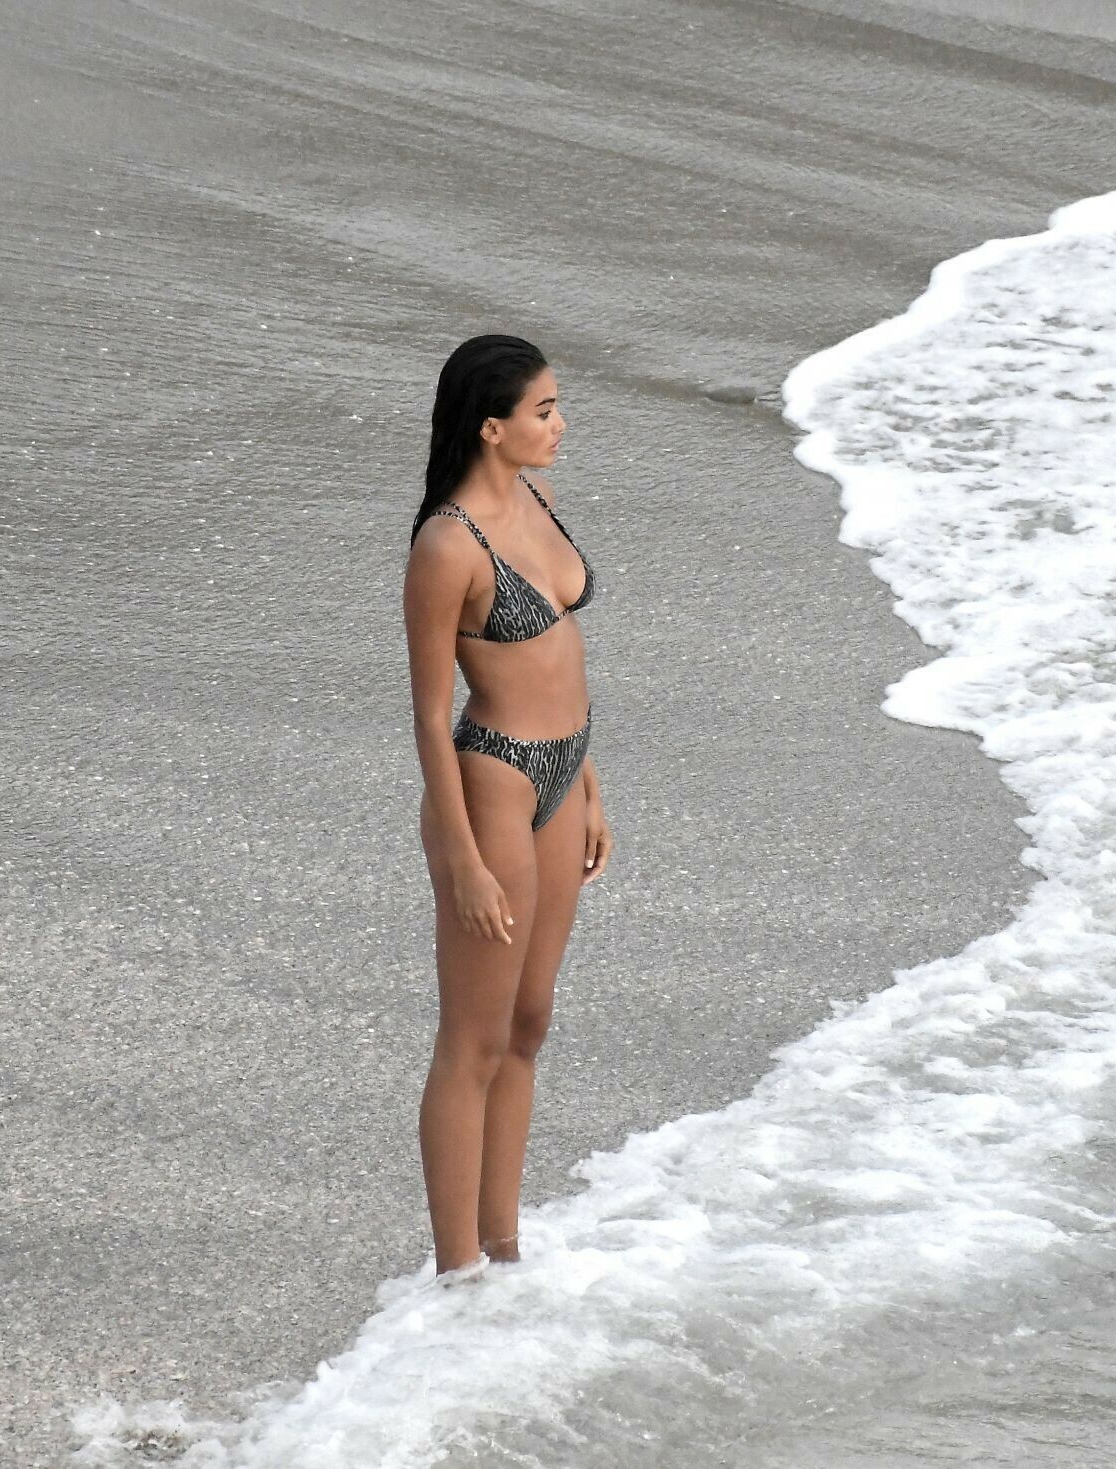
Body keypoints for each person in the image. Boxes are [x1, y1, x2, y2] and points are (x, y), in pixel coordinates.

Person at [404, 334, 614, 1285]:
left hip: (565, 773)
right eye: (544, 409)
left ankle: (505, 1250)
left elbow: (560, 656)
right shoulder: (447, 545)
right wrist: (461, 859)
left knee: (529, 1022)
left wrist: (592, 783)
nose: (560, 424)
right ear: (491, 427)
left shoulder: (539, 498)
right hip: (494, 782)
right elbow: (428, 713)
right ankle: (456, 1279)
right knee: (475, 1039)